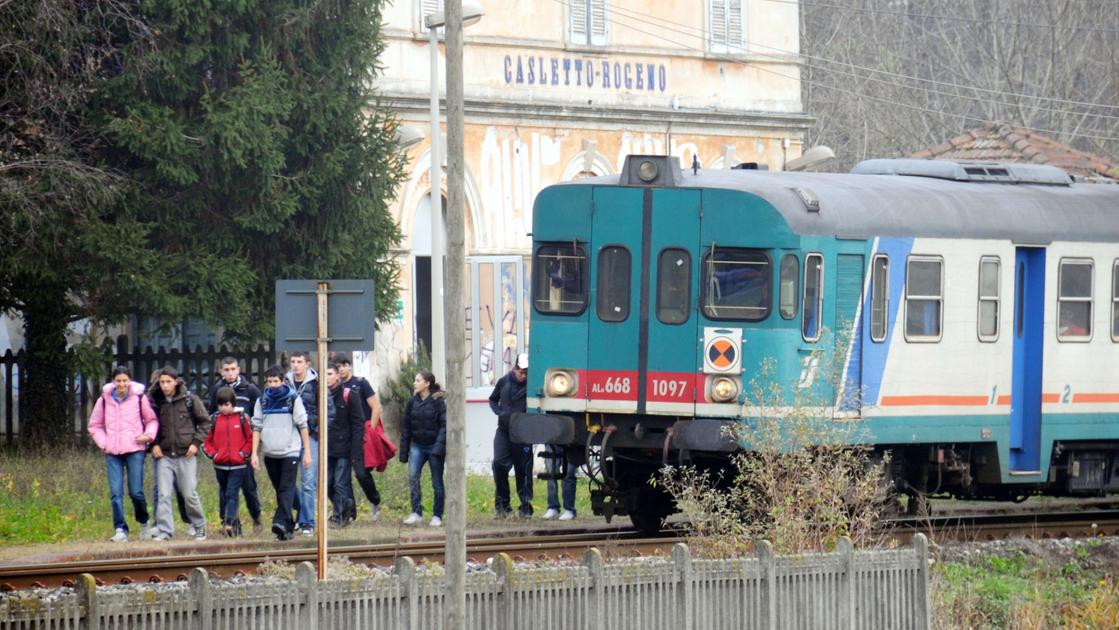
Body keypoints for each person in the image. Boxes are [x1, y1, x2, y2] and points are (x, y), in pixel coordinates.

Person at [88, 366, 159, 542]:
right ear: (113, 381)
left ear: (130, 381)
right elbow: (94, 425)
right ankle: (120, 529)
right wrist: (104, 443)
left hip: (135, 449)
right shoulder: (104, 400)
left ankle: (144, 522)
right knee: (115, 492)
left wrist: (148, 436)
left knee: (136, 491)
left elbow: (152, 420)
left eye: (125, 380)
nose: (121, 384)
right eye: (118, 381)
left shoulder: (139, 397)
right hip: (112, 451)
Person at [251, 365, 312, 541]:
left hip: (290, 451)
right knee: (281, 489)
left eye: (275, 381)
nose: (272, 385)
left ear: (283, 381)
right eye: (269, 381)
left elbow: (303, 425)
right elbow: (257, 427)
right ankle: (291, 524)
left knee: (286, 487)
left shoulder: (292, 399)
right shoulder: (262, 401)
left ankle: (280, 522)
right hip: (271, 453)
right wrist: (254, 453)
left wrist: (307, 452)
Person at [150, 366, 210, 541]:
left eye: (168, 381)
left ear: (176, 382)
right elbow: (150, 424)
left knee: (189, 493)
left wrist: (196, 443)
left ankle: (199, 526)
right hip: (165, 455)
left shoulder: (190, 399)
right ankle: (165, 530)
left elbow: (205, 423)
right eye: (161, 382)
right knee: (163, 494)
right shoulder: (155, 401)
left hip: (186, 454)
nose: (165, 385)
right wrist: (153, 444)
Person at [207, 357, 264, 534]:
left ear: (238, 369)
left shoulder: (250, 389)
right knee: (227, 490)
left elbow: (258, 415)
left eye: (233, 369)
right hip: (224, 452)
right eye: (226, 369)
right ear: (221, 371)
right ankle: (231, 524)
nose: (230, 373)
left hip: (244, 448)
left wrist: (251, 450)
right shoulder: (216, 389)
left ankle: (256, 517)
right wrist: (215, 452)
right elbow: (211, 416)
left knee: (248, 488)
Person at [335, 352, 383, 521]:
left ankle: (375, 500)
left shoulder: (361, 383)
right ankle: (350, 513)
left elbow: (376, 407)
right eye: (338, 367)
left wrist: (371, 431)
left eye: (343, 365)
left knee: (361, 473)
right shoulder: (334, 388)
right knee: (343, 477)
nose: (341, 369)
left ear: (349, 366)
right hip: (342, 436)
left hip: (361, 434)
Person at [202, 387, 254, 537]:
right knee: (224, 493)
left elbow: (250, 439)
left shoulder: (242, 418)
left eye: (227, 404)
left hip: (239, 464)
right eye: (221, 405)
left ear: (233, 403)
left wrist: (243, 454)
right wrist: (215, 454)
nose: (224, 408)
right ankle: (234, 526)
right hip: (220, 464)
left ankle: (229, 522)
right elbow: (206, 441)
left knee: (232, 492)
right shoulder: (214, 419)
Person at [399, 370, 446, 527]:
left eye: (418, 380)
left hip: (434, 447)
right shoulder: (412, 402)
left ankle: (437, 515)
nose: (414, 383)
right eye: (415, 380)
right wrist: (404, 452)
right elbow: (406, 428)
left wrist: (439, 447)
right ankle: (416, 513)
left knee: (437, 482)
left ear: (427, 383)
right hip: (417, 446)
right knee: (413, 477)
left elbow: (444, 426)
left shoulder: (438, 401)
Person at [489, 353, 533, 518]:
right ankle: (502, 505)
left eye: (526, 373)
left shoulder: (532, 384)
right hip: (504, 431)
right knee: (498, 464)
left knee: (524, 470)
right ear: (514, 369)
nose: (523, 376)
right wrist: (500, 412)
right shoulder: (503, 381)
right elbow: (493, 399)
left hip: (523, 434)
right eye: (521, 372)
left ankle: (525, 506)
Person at [287, 351, 326, 536]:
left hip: (310, 436)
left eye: (299, 362)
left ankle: (307, 522)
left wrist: (316, 428)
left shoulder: (317, 383)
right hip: (288, 437)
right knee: (286, 481)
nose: (295, 365)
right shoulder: (284, 382)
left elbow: (327, 408)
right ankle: (302, 511)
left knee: (308, 481)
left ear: (307, 364)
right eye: (293, 362)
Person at [324, 363, 364, 527]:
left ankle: (338, 517)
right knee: (327, 483)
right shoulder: (321, 396)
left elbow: (358, 424)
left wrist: (355, 451)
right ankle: (346, 506)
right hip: (327, 448)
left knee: (340, 482)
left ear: (338, 377)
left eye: (330, 374)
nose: (327, 378)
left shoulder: (349, 394)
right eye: (324, 374)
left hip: (344, 448)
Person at [542, 444, 578, 521]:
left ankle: (569, 509)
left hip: (571, 441)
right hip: (552, 438)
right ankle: (553, 507)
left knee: (569, 473)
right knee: (551, 472)